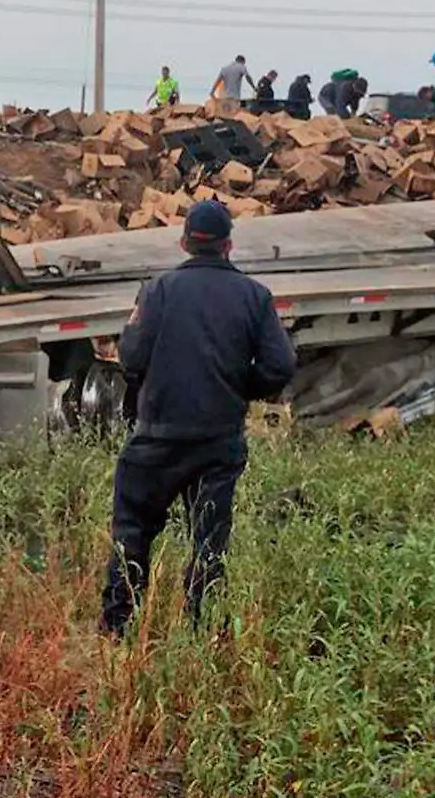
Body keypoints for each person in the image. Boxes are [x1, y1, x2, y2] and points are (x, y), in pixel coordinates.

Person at [101, 202, 296, 637]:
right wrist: (239, 387)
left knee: (132, 529)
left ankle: (117, 629)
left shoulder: (159, 291)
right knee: (209, 537)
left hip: (158, 439)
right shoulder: (254, 296)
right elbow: (280, 366)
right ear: (228, 245)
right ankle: (200, 629)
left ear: (185, 242)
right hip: (218, 441)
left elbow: (130, 356)